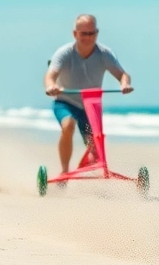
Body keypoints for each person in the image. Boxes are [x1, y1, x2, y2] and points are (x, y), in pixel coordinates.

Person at [43, 14, 133, 173]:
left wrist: (124, 84)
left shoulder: (105, 53)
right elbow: (50, 75)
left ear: (97, 33)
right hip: (65, 102)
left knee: (95, 146)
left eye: (91, 33)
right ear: (75, 34)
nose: (88, 37)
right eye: (83, 33)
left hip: (90, 105)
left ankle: (88, 169)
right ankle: (64, 170)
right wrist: (51, 86)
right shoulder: (64, 53)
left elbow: (123, 75)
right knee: (68, 125)